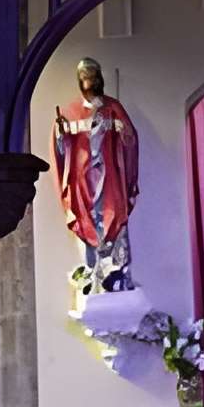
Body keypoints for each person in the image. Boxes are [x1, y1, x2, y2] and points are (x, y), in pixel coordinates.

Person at [51, 57, 140, 291]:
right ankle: (91, 272)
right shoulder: (70, 111)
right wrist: (61, 136)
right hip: (82, 181)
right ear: (80, 82)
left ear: (100, 79)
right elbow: (60, 149)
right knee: (87, 221)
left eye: (93, 77)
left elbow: (130, 141)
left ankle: (118, 272)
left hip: (109, 176)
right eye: (85, 78)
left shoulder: (113, 108)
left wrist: (123, 133)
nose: (89, 82)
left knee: (115, 216)